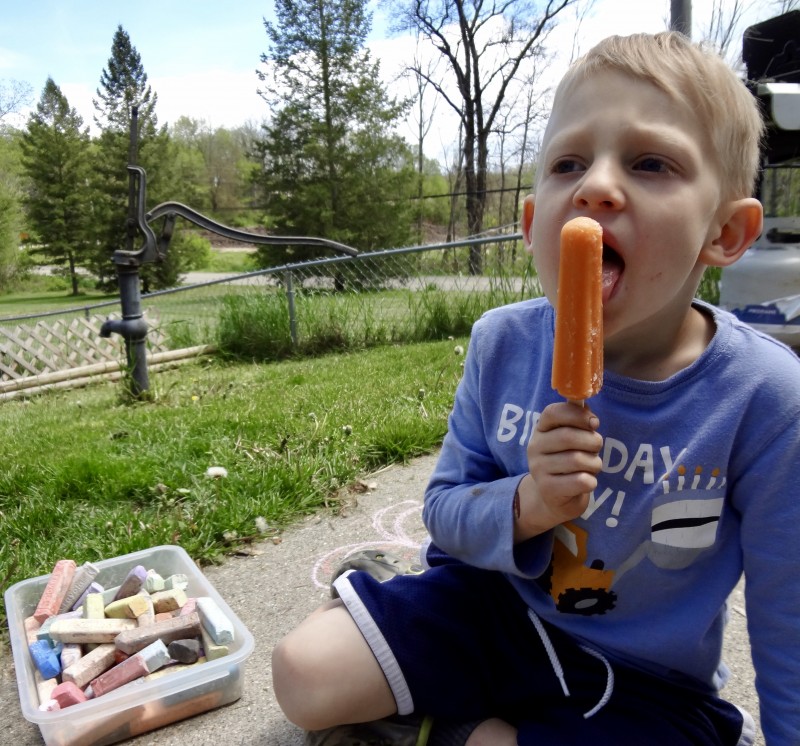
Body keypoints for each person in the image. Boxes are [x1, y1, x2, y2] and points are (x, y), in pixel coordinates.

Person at [272, 31, 800, 746]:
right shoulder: (503, 343)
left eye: (650, 162)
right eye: (567, 163)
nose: (595, 187)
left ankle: (446, 727)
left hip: (636, 680)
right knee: (301, 675)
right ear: (530, 226)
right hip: (491, 610)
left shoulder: (765, 398)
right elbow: (446, 513)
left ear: (726, 232)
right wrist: (528, 504)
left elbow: (786, 613)